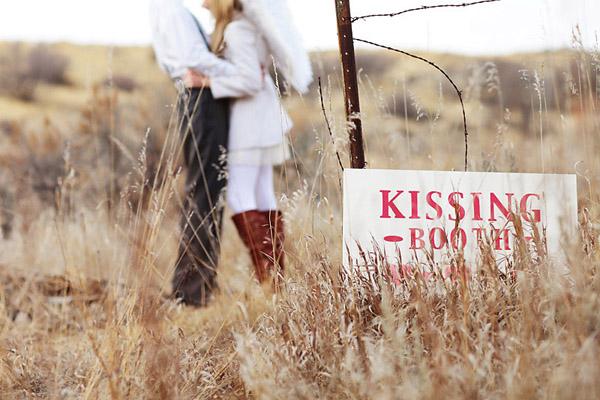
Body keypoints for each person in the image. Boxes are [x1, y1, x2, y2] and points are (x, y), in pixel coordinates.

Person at [183, 0, 312, 287]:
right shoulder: (249, 24)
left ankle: (268, 277)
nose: (202, 4)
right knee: (262, 193)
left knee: (240, 196)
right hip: (261, 118)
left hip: (249, 122)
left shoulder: (238, 30)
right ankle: (274, 278)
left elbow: (251, 81)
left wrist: (206, 83)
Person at [149, 0, 237, 306]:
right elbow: (195, 59)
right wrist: (241, 71)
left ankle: (192, 286)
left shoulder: (163, 9)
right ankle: (192, 292)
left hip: (197, 99)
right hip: (203, 101)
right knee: (206, 193)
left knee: (203, 192)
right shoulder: (172, 11)